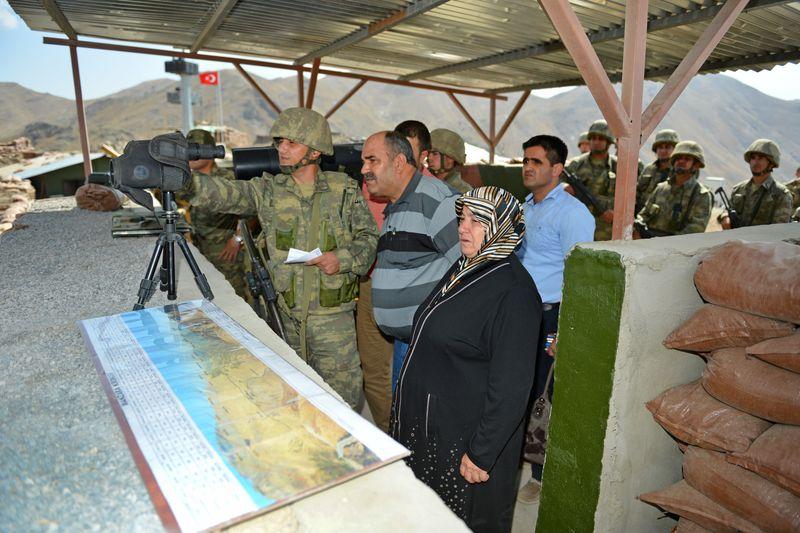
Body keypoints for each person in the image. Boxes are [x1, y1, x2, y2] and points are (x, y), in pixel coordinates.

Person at [183, 108, 378, 408]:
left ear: (314, 151)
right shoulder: (268, 191)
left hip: (332, 323)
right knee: (291, 397)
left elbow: (368, 238)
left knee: (343, 399)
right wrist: (181, 181)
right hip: (283, 318)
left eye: (291, 143)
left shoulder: (344, 190)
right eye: (280, 142)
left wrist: (342, 259)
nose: (282, 149)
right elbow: (223, 193)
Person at [391, 186, 542, 533]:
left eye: (477, 220)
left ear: (501, 226)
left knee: (467, 522)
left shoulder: (514, 293)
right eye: (462, 217)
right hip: (435, 429)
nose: (463, 227)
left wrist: (481, 453)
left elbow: (512, 387)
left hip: (466, 443)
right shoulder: (466, 267)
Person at [514, 135, 594, 504]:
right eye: (525, 160)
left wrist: (564, 330)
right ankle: (514, 460)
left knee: (545, 394)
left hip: (551, 319)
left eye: (536, 162)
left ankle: (541, 474)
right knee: (515, 385)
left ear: (557, 168)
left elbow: (580, 276)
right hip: (520, 313)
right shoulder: (524, 207)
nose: (528, 167)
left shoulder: (573, 214)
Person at [362, 131, 460, 392]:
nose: (364, 169)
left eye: (372, 161)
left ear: (398, 163)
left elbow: (472, 270)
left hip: (431, 349)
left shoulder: (435, 200)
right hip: (407, 343)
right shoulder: (396, 204)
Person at [181, 129, 248, 300]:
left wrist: (237, 239)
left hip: (225, 253)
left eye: (194, 150)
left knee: (234, 299)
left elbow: (251, 212)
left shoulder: (228, 180)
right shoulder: (190, 181)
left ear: (209, 153)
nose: (189, 156)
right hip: (199, 248)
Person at [636, 141, 713, 237]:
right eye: (678, 158)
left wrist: (664, 242)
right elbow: (643, 214)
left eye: (687, 159)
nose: (681, 161)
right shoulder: (661, 188)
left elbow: (696, 228)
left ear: (696, 165)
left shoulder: (701, 195)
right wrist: (640, 228)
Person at [720, 139, 793, 228]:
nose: (755, 162)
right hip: (735, 240)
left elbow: (779, 230)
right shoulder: (739, 189)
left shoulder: (781, 194)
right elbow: (726, 209)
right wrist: (725, 217)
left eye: (760, 158)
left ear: (771, 163)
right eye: (753, 158)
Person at [564, 119, 617, 240]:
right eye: (593, 138)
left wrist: (616, 213)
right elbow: (554, 185)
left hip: (606, 231)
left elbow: (629, 196)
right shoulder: (576, 164)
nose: (596, 142)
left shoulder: (618, 166)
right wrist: (563, 187)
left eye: (600, 138)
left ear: (608, 142)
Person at [636, 129, 680, 211]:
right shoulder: (649, 169)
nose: (663, 151)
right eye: (660, 147)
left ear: (675, 149)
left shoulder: (679, 173)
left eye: (667, 147)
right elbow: (637, 192)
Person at [429, 128, 472, 193]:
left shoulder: (463, 192)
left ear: (450, 159)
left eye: (435, 154)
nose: (429, 158)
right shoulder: (424, 182)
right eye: (428, 153)